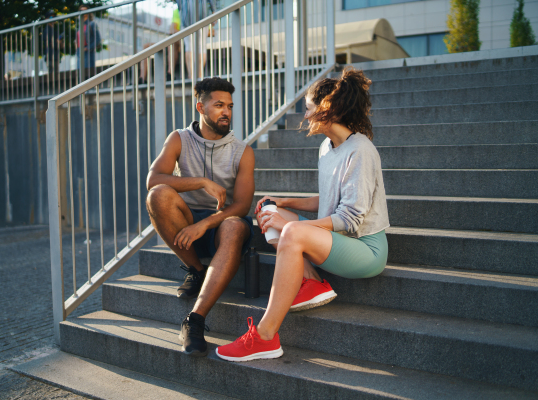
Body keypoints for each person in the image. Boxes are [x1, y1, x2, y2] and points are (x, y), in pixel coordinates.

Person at [216, 67, 390, 362]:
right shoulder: (327, 147)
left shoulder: (360, 150)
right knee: (270, 213)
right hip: (336, 237)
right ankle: (311, 282)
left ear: (327, 110)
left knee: (290, 231)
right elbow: (330, 200)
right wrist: (285, 203)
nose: (305, 116)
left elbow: (349, 219)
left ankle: (265, 336)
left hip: (365, 248)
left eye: (308, 109)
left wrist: (289, 226)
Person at [146, 77, 256, 357]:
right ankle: (197, 269)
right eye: (219, 105)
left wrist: (206, 223)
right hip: (189, 217)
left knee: (233, 225)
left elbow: (243, 206)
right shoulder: (179, 138)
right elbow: (153, 179)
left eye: (230, 106)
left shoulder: (243, 152)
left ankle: (194, 321)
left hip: (224, 224)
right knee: (158, 195)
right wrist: (200, 182)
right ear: (200, 107)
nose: (226, 112)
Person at [176, 0, 216, 79]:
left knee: (189, 46)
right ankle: (199, 74)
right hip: (201, 16)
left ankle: (191, 75)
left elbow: (179, 4)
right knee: (201, 46)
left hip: (187, 17)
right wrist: (213, 11)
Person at [76, 4, 101, 79]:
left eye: (85, 10)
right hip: (79, 51)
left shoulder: (92, 24)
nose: (83, 12)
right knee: (79, 73)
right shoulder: (79, 25)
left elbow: (98, 39)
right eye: (81, 10)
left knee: (88, 73)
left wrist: (88, 48)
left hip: (88, 52)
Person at [43, 11, 62, 92]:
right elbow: (49, 42)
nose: (53, 19)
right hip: (50, 55)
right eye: (51, 17)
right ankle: (51, 89)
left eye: (54, 17)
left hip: (55, 54)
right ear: (47, 19)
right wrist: (57, 42)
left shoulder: (54, 29)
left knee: (55, 72)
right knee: (52, 72)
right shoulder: (47, 29)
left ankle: (55, 89)